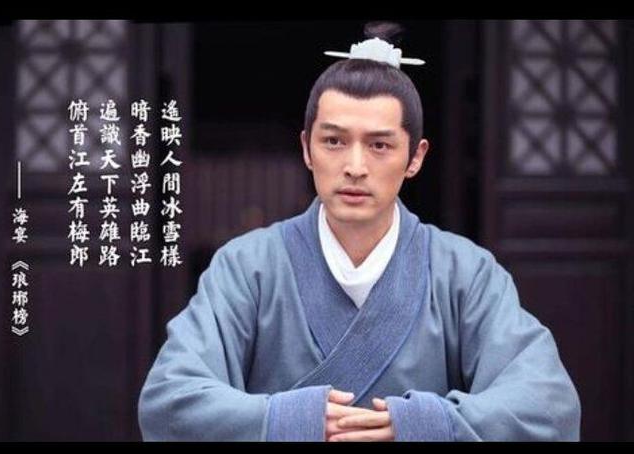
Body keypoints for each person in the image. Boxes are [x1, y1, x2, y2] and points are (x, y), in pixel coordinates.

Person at [138, 22, 581, 441]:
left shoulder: (467, 273)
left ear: (415, 157)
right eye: (333, 141)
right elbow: (169, 400)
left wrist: (424, 425)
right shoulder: (247, 266)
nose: (354, 166)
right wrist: (288, 420)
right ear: (306, 148)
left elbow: (548, 406)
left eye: (379, 145)